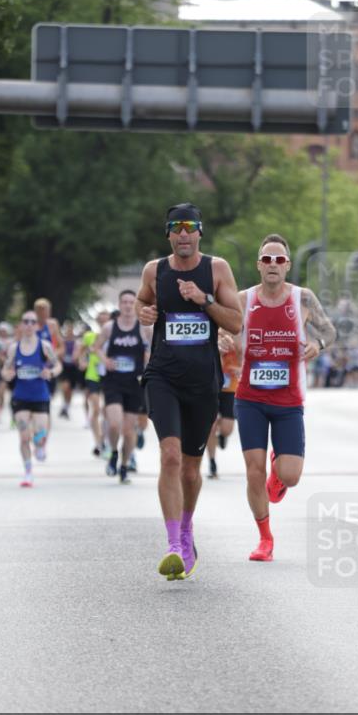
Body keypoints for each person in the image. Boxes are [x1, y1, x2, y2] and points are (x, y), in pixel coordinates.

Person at [136, 202, 242, 581]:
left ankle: (186, 529)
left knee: (192, 471)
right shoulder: (155, 270)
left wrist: (204, 299)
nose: (183, 233)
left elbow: (236, 322)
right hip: (163, 375)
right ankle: (173, 546)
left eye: (190, 226)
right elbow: (142, 301)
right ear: (168, 233)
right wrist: (143, 312)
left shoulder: (216, 269)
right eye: (176, 227)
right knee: (169, 457)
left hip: (203, 381)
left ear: (200, 232)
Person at [235, 234, 336, 562]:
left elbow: (329, 332)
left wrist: (317, 346)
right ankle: (265, 538)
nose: (273, 265)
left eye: (279, 260)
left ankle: (279, 470)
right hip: (249, 397)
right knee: (253, 470)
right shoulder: (244, 299)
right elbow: (228, 331)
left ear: (288, 265)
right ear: (259, 265)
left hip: (288, 400)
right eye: (267, 260)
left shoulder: (303, 299)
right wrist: (225, 340)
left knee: (290, 475)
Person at [95, 290, 152, 485]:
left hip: (134, 383)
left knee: (129, 431)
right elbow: (95, 347)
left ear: (135, 305)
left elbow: (156, 349)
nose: (128, 306)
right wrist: (105, 360)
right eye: (124, 302)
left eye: (131, 302)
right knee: (113, 423)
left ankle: (124, 465)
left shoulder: (144, 328)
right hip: (113, 382)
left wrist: (148, 358)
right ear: (119, 305)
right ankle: (112, 452)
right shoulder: (110, 328)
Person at [1, 310, 61, 487]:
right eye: (25, 321)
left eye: (32, 322)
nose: (28, 325)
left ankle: (41, 446)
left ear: (37, 326)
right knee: (24, 437)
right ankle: (28, 472)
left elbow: (58, 365)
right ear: (21, 325)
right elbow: (4, 369)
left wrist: (50, 372)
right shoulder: (14, 348)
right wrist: (7, 375)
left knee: (40, 434)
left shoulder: (44, 346)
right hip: (20, 397)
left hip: (40, 396)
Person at [206, 329, 241, 479]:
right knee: (211, 426)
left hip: (230, 388)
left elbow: (246, 359)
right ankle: (212, 462)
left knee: (227, 428)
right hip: (212, 387)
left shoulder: (239, 337)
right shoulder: (214, 334)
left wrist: (239, 370)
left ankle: (223, 435)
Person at [79, 316, 107, 456]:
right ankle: (97, 442)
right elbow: (80, 352)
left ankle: (104, 439)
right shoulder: (89, 336)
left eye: (105, 321)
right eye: (101, 321)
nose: (103, 323)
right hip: (92, 375)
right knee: (95, 409)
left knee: (106, 411)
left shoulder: (112, 334)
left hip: (108, 376)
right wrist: (82, 361)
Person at [34, 297, 64, 400]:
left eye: (47, 310)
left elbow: (62, 347)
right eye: (42, 311)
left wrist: (53, 355)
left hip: (49, 365)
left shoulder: (53, 324)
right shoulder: (30, 326)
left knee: (49, 396)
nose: (45, 314)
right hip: (34, 365)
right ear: (37, 312)